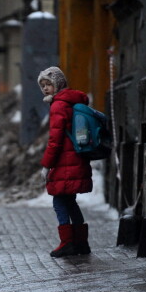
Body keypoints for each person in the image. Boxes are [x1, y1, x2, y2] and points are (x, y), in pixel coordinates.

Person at [38, 66, 92, 257]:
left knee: (59, 201)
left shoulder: (58, 105)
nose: (45, 88)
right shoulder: (71, 101)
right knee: (70, 201)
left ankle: (67, 242)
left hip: (65, 162)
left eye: (48, 84)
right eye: (42, 85)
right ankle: (81, 243)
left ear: (58, 84)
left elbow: (55, 139)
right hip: (75, 159)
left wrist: (46, 164)